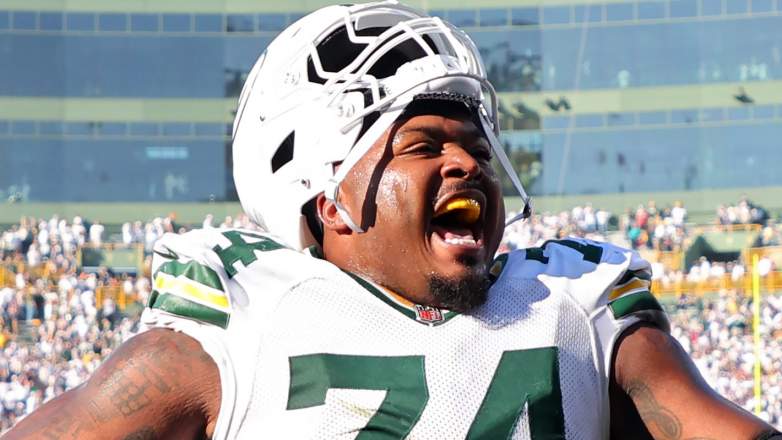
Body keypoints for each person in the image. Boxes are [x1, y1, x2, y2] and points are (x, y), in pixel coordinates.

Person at [3, 2, 779, 439]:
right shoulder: (232, 326)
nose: (467, 164)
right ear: (329, 198)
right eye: (425, 145)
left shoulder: (575, 305)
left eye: (476, 147)